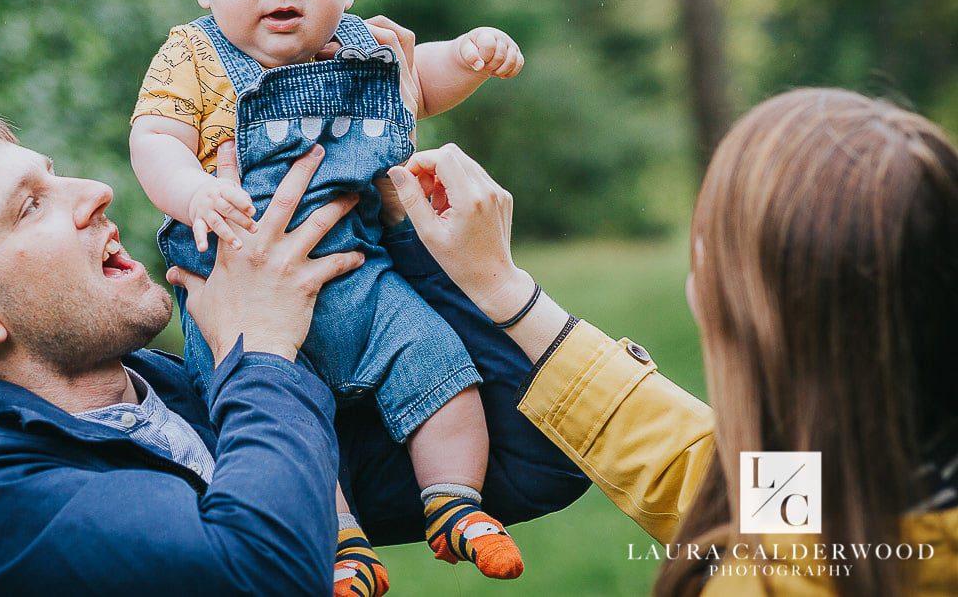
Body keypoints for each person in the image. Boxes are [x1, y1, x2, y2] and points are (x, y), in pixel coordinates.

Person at [0, 108, 588, 597]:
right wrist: (264, 350)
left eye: (56, 173)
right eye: (30, 205)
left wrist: (414, 248)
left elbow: (539, 453)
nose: (94, 190)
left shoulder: (171, 392)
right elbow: (261, 573)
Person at [130, 0, 527, 592]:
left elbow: (425, 80)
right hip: (244, 299)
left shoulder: (363, 47)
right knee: (284, 422)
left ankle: (456, 501)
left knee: (442, 365)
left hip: (366, 282)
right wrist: (192, 191)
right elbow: (154, 137)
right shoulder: (193, 55)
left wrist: (470, 55)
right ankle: (343, 543)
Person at [381, 87, 958, 596]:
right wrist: (504, 291)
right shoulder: (869, 494)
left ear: (757, 317)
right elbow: (699, 471)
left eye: (709, 244)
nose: (695, 266)